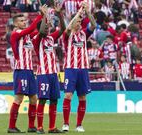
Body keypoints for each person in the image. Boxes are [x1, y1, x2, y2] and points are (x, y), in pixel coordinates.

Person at [7, 5, 47, 133]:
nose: (24, 22)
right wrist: (40, 15)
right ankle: (11, 127)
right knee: (19, 98)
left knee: (34, 98)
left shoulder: (28, 36)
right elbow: (31, 28)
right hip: (21, 70)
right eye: (21, 21)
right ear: (15, 24)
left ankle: (31, 126)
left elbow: (40, 31)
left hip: (30, 71)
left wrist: (45, 18)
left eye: (25, 20)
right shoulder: (16, 34)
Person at [62, 1, 96, 132]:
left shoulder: (84, 34)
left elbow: (93, 25)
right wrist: (78, 13)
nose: (79, 22)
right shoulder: (68, 35)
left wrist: (87, 11)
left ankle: (79, 125)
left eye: (80, 21)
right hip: (71, 69)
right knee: (68, 95)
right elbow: (68, 28)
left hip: (83, 69)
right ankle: (66, 123)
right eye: (76, 21)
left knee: (82, 97)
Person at [32, 1, 65, 133]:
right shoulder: (36, 39)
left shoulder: (51, 39)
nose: (48, 28)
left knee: (54, 100)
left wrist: (60, 15)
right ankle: (39, 127)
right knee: (43, 100)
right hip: (43, 74)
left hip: (53, 74)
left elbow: (63, 30)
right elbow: (41, 30)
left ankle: (52, 127)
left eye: (48, 27)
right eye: (46, 27)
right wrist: (45, 15)